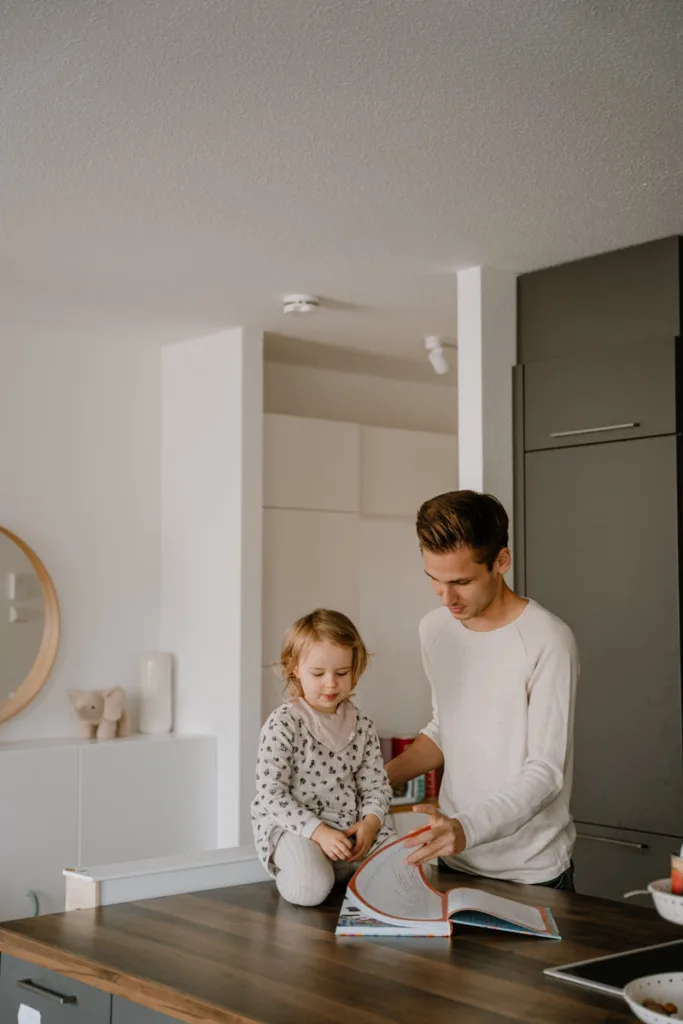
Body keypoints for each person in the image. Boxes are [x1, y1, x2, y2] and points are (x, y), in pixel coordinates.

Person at [387, 490, 579, 890]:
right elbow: (445, 730)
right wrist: (373, 780)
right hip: (455, 859)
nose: (447, 598)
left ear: (501, 562)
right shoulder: (435, 630)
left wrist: (466, 828)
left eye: (461, 582)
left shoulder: (548, 639)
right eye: (435, 581)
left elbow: (546, 773)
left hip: (531, 872)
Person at [252, 608, 396, 906]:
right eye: (318, 674)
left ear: (355, 671)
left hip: (349, 829)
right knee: (310, 888)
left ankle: (344, 871)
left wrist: (370, 822)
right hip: (298, 829)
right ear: (294, 668)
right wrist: (319, 833)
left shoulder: (363, 726)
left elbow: (375, 785)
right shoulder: (283, 724)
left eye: (341, 673)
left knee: (406, 864)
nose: (331, 683)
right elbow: (271, 794)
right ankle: (306, 869)